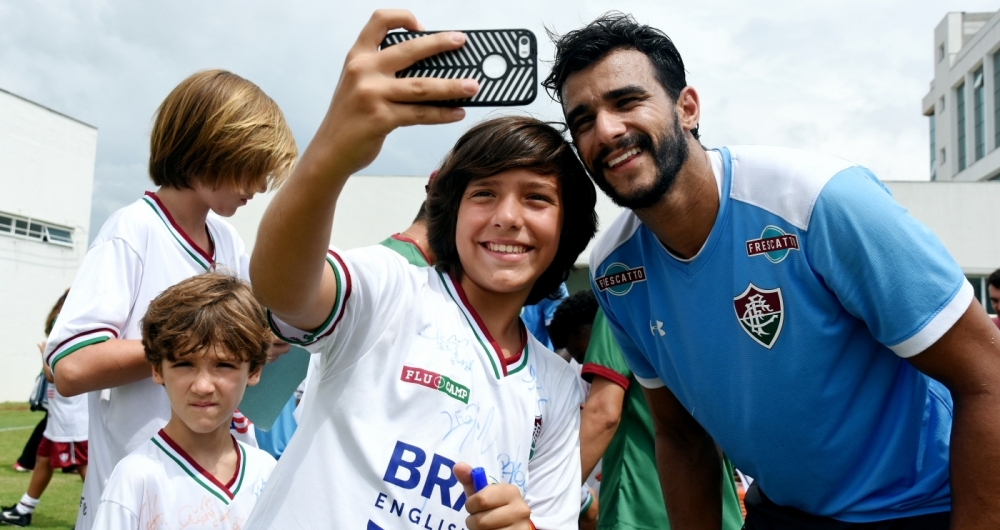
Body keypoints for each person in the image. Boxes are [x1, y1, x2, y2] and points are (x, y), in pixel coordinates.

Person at [545, 12, 1000, 528]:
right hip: (781, 512)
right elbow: (680, 436)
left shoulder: (820, 201)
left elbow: (989, 377)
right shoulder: (613, 269)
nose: (606, 130)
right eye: (583, 120)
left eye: (627, 101)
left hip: (923, 508)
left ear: (687, 107)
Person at [245, 11, 597, 529]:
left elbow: (549, 520)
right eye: (483, 193)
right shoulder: (392, 289)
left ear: (567, 232)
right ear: (448, 212)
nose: (506, 216)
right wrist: (335, 150)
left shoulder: (561, 392)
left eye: (537, 198)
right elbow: (281, 287)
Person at [43, 69, 296, 530]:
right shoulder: (133, 231)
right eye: (253, 165)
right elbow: (70, 366)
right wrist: (197, 344)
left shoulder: (228, 241)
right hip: (144, 498)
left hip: (225, 492)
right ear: (211, 148)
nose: (259, 185)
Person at [92, 273, 277, 529]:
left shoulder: (268, 473)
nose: (202, 386)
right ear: (157, 369)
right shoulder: (136, 480)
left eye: (223, 365)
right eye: (184, 364)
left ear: (254, 370)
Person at [579, 308, 744, 530]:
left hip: (639, 506)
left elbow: (604, 412)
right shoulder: (706, 301)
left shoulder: (622, 291)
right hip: (716, 507)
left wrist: (548, 498)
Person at [2, 290, 89, 528]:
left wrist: (44, 356)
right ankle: (23, 510)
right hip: (59, 415)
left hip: (72, 417)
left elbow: (55, 376)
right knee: (43, 460)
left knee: (85, 468)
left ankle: (99, 516)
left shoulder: (74, 327)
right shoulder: (70, 324)